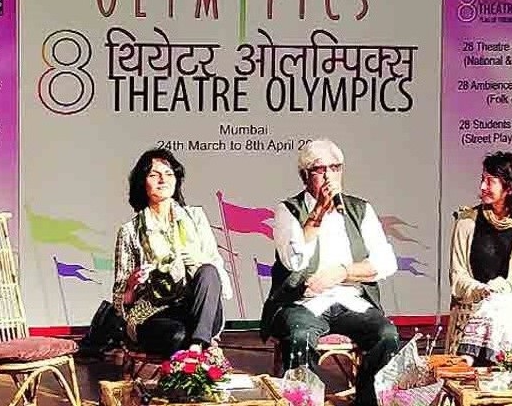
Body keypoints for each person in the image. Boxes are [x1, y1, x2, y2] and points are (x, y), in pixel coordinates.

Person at [260, 139, 400, 406]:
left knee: (387, 336)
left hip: (352, 302)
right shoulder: (288, 210)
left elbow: (386, 262)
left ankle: (367, 400)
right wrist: (319, 211)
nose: (328, 176)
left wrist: (342, 272)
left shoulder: (360, 209)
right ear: (305, 176)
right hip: (303, 302)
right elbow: (293, 260)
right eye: (320, 169)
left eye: (335, 168)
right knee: (299, 337)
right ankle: (306, 402)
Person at [113, 148, 233, 355]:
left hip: (196, 307)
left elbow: (214, 270)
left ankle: (196, 346)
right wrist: (131, 283)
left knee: (208, 270)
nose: (163, 180)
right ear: (142, 183)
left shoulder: (195, 217)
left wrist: (194, 260)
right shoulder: (130, 231)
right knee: (176, 335)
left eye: (169, 174)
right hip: (154, 313)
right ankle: (199, 343)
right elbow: (120, 301)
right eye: (154, 175)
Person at [445, 151, 512, 365]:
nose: (482, 187)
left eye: (490, 181)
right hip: (474, 318)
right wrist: (483, 291)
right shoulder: (467, 223)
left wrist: (508, 291)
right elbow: (458, 277)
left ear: (510, 188)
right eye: (482, 179)